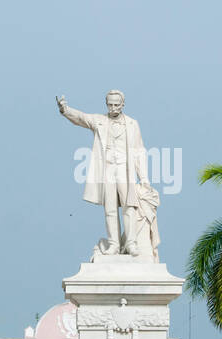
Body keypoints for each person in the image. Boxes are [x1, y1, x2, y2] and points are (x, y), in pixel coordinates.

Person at [56, 90, 155, 259]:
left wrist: (144, 177)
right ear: (106, 104)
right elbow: (81, 118)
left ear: (123, 104)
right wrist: (65, 109)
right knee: (109, 208)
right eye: (110, 105)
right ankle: (114, 244)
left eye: (117, 105)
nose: (113, 108)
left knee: (129, 206)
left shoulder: (132, 124)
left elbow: (139, 151)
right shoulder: (99, 121)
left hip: (125, 168)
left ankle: (131, 243)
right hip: (107, 169)